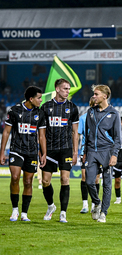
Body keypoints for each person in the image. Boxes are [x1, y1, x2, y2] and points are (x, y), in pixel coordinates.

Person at [0, 86, 46, 221]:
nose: (41, 100)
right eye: (39, 98)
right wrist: (2, 152)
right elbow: (6, 132)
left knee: (28, 181)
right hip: (16, 150)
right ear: (31, 99)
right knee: (15, 177)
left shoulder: (40, 114)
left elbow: (42, 136)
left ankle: (24, 213)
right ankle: (15, 210)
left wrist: (43, 153)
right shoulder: (14, 110)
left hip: (32, 152)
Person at [40, 78, 79, 223]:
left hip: (66, 148)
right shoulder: (45, 107)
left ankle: (63, 213)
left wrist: (75, 152)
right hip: (49, 149)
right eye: (65, 88)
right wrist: (42, 151)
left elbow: (75, 133)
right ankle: (51, 206)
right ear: (57, 89)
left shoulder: (73, 108)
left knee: (65, 179)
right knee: (45, 181)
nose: (68, 91)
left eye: (68, 89)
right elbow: (42, 132)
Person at [83, 85, 121, 223]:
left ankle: (104, 212)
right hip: (92, 151)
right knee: (89, 181)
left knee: (107, 184)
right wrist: (85, 152)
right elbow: (87, 134)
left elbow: (118, 138)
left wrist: (114, 154)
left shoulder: (114, 113)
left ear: (105, 96)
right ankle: (97, 202)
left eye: (96, 94)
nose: (94, 96)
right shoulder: (90, 112)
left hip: (107, 151)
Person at [79, 97, 101, 214]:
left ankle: (94, 204)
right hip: (86, 151)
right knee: (84, 177)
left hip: (99, 151)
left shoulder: (103, 117)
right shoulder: (83, 118)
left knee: (96, 179)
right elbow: (78, 134)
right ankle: (84, 205)